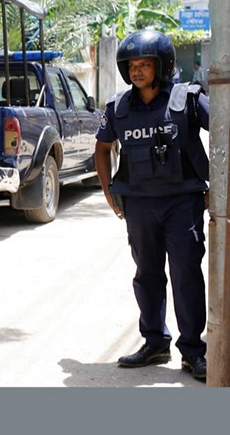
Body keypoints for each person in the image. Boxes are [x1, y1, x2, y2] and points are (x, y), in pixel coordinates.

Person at [94, 28, 209, 382]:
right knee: (147, 275)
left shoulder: (188, 99)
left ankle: (192, 351)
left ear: (162, 65)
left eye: (145, 64)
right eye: (131, 65)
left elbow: (227, 133)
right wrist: (109, 191)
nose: (137, 71)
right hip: (140, 205)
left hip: (183, 202)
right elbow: (102, 149)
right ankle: (155, 342)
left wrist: (217, 189)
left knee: (186, 274)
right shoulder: (118, 107)